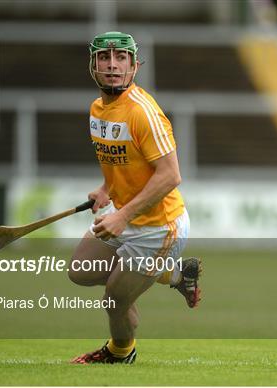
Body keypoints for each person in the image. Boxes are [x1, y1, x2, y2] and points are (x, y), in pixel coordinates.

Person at [68, 31, 201, 365]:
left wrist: (122, 216)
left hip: (160, 227)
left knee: (115, 299)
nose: (112, 65)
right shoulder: (98, 109)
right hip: (126, 213)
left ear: (134, 65)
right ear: (92, 65)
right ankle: (175, 274)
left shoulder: (143, 112)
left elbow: (171, 175)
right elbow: (121, 160)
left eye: (121, 58)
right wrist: (105, 189)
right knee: (80, 270)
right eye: (104, 58)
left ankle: (120, 351)